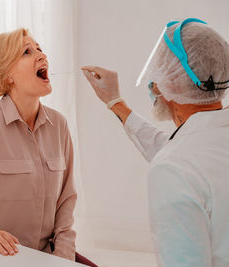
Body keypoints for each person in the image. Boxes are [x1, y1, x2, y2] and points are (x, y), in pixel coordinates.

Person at [82, 18, 229, 267]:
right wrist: (115, 102)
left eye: (158, 70)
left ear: (171, 81)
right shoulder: (200, 149)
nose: (153, 82)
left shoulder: (174, 168)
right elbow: (178, 149)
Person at [0, 28, 96, 266]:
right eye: (27, 51)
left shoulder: (59, 125)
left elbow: (66, 200)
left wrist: (63, 256)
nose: (41, 55)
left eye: (40, 49)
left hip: (49, 256)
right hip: (3, 258)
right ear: (7, 76)